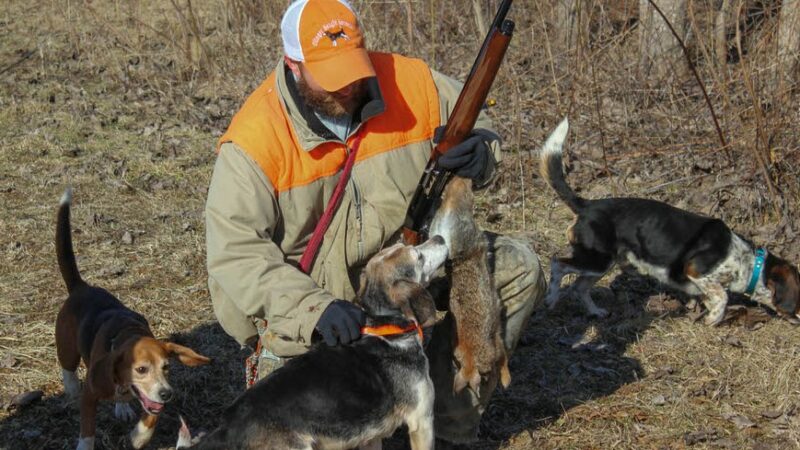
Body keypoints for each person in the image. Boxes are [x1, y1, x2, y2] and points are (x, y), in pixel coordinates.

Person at [205, 0, 546, 446]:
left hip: (403, 270)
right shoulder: (253, 143)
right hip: (319, 306)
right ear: (293, 64)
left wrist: (482, 155)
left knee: (518, 268)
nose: (348, 87)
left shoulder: (412, 83)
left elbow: (479, 120)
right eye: (331, 77)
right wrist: (314, 309)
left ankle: (446, 426)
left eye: (353, 68)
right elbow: (236, 256)